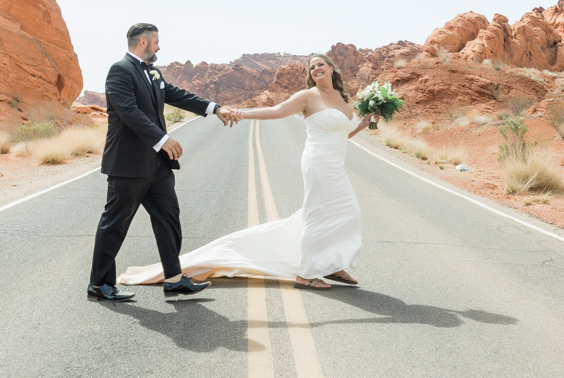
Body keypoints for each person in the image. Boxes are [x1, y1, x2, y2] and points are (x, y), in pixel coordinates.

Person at [121, 52, 373, 290]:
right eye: (312, 66)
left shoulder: (341, 97)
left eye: (321, 64)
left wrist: (363, 123)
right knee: (319, 213)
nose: (316, 68)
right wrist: (241, 114)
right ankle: (305, 274)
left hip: (335, 164)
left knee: (346, 212)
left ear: (331, 68)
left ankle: (331, 264)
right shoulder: (308, 95)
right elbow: (276, 112)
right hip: (318, 162)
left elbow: (342, 134)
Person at [88, 23, 240, 303]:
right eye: (157, 42)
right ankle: (99, 285)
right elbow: (129, 113)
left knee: (168, 218)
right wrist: (163, 139)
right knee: (115, 224)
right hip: (129, 164)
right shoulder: (120, 70)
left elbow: (177, 95)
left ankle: (173, 280)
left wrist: (215, 108)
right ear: (143, 42)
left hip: (156, 165)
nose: (160, 46)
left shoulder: (152, 72)